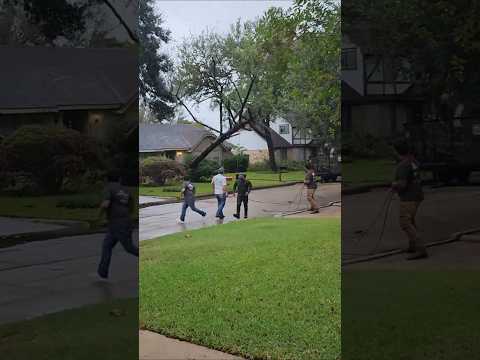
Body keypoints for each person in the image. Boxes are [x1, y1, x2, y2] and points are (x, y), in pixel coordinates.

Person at [97, 170, 138, 279]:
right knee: (107, 245)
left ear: (106, 179)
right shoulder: (125, 190)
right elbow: (132, 206)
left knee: (129, 248)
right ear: (119, 179)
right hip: (121, 223)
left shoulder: (109, 188)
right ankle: (103, 272)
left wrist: (98, 217)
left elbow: (105, 204)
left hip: (118, 224)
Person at [391, 140, 428, 260]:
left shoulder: (403, 165)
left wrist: (394, 185)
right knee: (410, 221)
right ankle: (412, 246)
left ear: (397, 151)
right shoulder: (413, 161)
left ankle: (421, 249)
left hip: (409, 197)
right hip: (417, 195)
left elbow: (402, 184)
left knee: (405, 223)